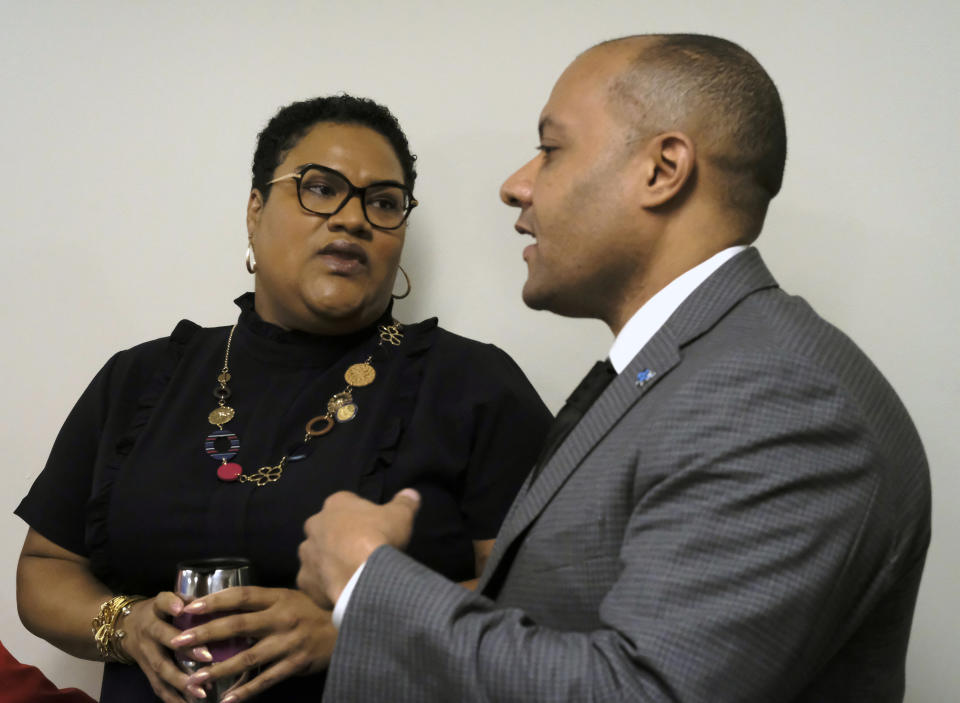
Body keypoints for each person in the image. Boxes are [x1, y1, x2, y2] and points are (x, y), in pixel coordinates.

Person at [295, 34, 932, 702]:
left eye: (551, 148)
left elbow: (644, 691)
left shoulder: (781, 396)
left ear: (662, 170)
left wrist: (369, 582)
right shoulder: (687, 372)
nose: (516, 185)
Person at [15, 94, 551, 702]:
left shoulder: (473, 384)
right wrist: (125, 625)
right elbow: (45, 570)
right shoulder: (141, 378)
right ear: (255, 210)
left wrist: (355, 627)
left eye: (382, 202)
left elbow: (543, 598)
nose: (352, 219)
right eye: (320, 188)